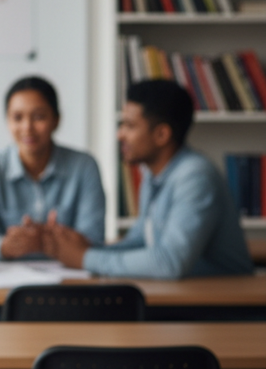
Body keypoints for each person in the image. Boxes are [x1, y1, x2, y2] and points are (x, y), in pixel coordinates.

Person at [46, 79, 254, 277]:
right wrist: (90, 249)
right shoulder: (153, 173)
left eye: (129, 126)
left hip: (224, 306)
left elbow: (170, 262)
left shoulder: (195, 176)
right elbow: (141, 240)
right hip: (185, 296)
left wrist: (85, 258)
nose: (120, 134)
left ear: (162, 135)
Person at [0, 75, 106, 260]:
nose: (27, 127)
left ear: (56, 120)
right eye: (17, 117)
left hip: (70, 281)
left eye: (39, 117)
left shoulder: (84, 166)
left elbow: (93, 241)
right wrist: (5, 247)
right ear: (7, 121)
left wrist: (52, 240)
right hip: (6, 283)